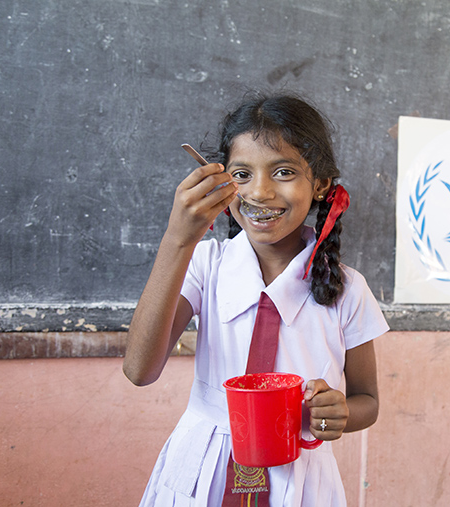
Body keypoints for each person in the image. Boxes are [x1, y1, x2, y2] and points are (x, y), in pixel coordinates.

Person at [123, 91, 389, 506]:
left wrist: (339, 412)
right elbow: (139, 370)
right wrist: (178, 239)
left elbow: (366, 400)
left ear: (320, 184)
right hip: (202, 473)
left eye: (283, 172)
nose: (260, 192)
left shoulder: (348, 289)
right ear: (222, 184)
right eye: (242, 174)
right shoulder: (204, 264)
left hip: (298, 482)